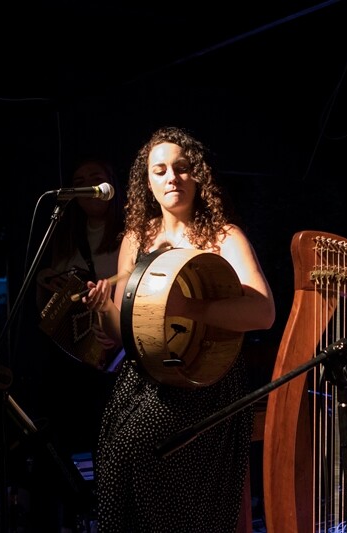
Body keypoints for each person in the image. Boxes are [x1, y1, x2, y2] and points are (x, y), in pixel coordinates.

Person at [83, 126, 276, 532]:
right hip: (146, 377)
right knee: (115, 453)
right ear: (147, 184)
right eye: (160, 170)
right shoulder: (136, 240)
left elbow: (263, 312)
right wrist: (102, 310)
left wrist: (189, 307)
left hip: (205, 381)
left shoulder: (224, 236)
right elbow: (124, 332)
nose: (172, 177)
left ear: (197, 177)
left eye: (182, 168)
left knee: (143, 445)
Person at [30, 157, 126, 528]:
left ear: (112, 185)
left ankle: (109, 517)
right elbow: (46, 312)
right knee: (56, 443)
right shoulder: (65, 234)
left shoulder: (129, 235)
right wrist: (48, 283)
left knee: (108, 444)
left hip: (113, 352)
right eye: (79, 180)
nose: (87, 186)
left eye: (96, 178)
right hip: (69, 352)